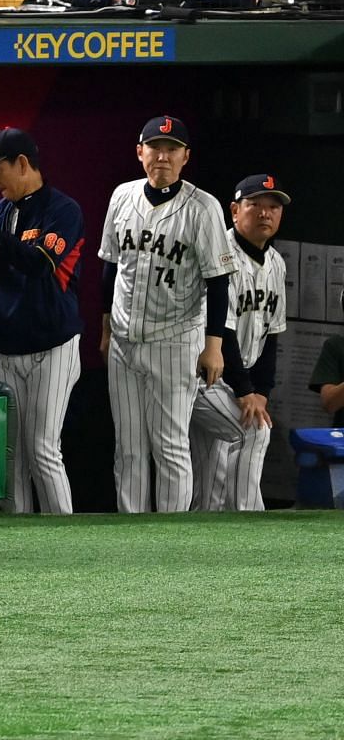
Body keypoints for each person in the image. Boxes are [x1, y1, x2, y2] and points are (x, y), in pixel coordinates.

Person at [97, 115, 237, 515]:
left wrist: (214, 347)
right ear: (140, 152)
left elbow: (218, 282)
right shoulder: (122, 196)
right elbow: (111, 268)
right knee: (128, 448)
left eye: (172, 148)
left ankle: (171, 537)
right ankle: (132, 531)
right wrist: (106, 330)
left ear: (185, 157)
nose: (163, 155)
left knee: (170, 446)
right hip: (124, 340)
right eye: (155, 146)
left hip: (176, 341)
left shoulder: (204, 207)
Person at [0, 127, 85, 514]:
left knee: (43, 448)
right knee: (11, 455)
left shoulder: (63, 210)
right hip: (6, 345)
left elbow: (38, 265)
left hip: (52, 344)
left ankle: (62, 536)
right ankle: (18, 541)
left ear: (23, 164)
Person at [189, 174, 288, 513]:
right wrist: (247, 391)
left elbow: (272, 333)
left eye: (273, 206)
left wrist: (262, 390)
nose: (265, 213)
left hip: (235, 381)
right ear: (234, 210)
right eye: (255, 205)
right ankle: (250, 522)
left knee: (210, 477)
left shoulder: (276, 263)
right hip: (203, 377)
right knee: (254, 430)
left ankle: (203, 548)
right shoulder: (222, 253)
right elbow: (223, 332)